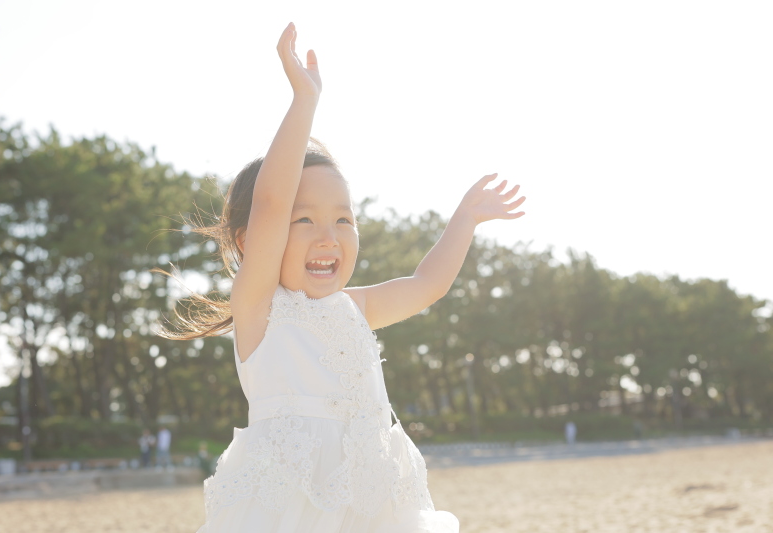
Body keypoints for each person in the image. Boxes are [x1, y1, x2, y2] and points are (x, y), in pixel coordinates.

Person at [159, 23, 525, 533]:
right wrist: (304, 101)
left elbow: (426, 285)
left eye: (344, 220)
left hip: (376, 504)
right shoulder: (259, 308)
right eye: (304, 219)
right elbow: (268, 203)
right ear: (249, 241)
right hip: (289, 511)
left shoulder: (357, 307)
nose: (329, 236)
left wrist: (464, 219)